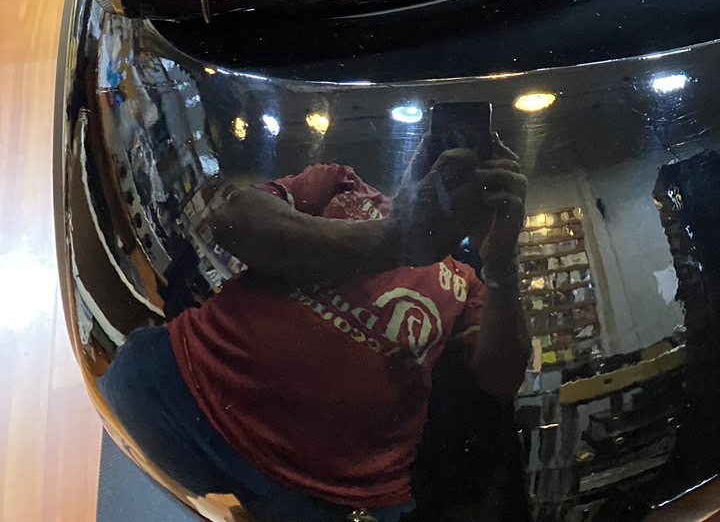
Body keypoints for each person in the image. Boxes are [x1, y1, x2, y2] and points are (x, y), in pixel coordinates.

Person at [100, 136, 529, 522]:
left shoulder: (471, 283)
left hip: (329, 497)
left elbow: (501, 377)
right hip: (178, 394)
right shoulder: (342, 183)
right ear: (415, 156)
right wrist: (397, 234)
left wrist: (502, 262)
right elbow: (235, 220)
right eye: (439, 146)